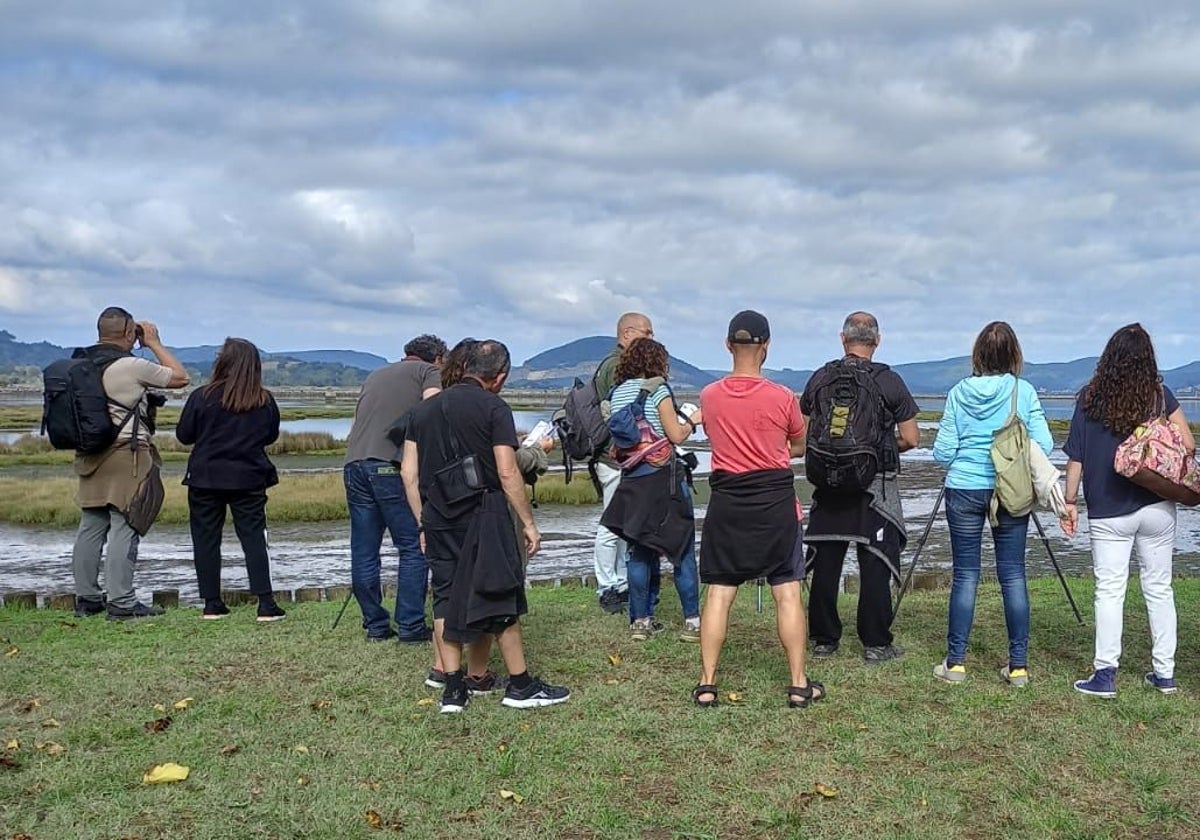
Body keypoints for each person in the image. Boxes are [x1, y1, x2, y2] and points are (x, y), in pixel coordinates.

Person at [401, 340, 570, 713]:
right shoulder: (494, 407)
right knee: (499, 593)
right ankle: (521, 686)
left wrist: (422, 522)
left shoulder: (422, 411)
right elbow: (508, 472)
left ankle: (453, 690)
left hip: (437, 515)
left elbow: (408, 474)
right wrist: (529, 523)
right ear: (500, 377)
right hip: (484, 511)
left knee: (444, 598)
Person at [694, 311, 823, 708]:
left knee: (719, 591)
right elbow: (799, 445)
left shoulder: (709, 395)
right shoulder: (783, 397)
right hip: (774, 501)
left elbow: (715, 436)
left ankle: (707, 683)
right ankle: (799, 684)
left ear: (727, 344)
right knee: (787, 591)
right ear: (767, 346)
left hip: (728, 499)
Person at [1062, 324, 1194, 698]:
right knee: (1158, 588)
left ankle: (1105, 675)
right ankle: (1164, 674)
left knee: (1109, 590)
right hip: (1156, 504)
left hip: (1107, 510)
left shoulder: (1089, 398)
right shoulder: (1160, 396)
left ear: (1110, 358)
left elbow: (1076, 457)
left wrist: (1068, 502)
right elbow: (1187, 444)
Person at [932, 321, 1053, 686]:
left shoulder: (957, 392)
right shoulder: (1024, 392)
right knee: (1013, 574)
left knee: (965, 575)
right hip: (1010, 490)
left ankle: (955, 663)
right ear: (1014, 355)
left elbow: (942, 453)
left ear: (978, 355)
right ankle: (1018, 666)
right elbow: (1044, 445)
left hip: (964, 488)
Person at [801, 312, 919, 663]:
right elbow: (911, 438)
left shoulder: (820, 378)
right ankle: (875, 643)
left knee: (826, 563)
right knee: (875, 564)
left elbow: (802, 432)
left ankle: (824, 640)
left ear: (842, 339)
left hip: (827, 483)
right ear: (877, 341)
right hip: (874, 486)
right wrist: (878, 447)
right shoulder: (890, 381)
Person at [72, 307, 190, 620]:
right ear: (128, 334)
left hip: (89, 454)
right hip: (127, 454)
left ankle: (87, 599)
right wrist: (153, 342)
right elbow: (180, 377)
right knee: (127, 522)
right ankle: (122, 602)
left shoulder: (78, 365)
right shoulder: (131, 366)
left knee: (91, 524)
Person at [343, 334, 445, 643]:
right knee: (414, 546)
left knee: (364, 550)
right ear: (438, 358)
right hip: (389, 466)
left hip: (354, 464)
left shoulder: (376, 374)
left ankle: (375, 626)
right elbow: (433, 409)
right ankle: (412, 626)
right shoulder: (429, 372)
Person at [600, 337, 702, 642]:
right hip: (664, 480)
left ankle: (640, 622)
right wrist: (693, 421)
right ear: (658, 363)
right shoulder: (657, 389)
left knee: (640, 551)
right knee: (681, 551)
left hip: (632, 481)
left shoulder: (617, 393)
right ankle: (693, 623)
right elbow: (675, 435)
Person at [176, 337, 285, 622]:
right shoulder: (263, 399)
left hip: (205, 476)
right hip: (249, 477)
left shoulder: (202, 396)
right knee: (254, 539)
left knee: (205, 539)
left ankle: (212, 603)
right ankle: (265, 602)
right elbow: (271, 436)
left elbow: (184, 435)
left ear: (222, 361)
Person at [592, 312, 655, 613]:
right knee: (611, 523)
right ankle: (608, 586)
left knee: (620, 522)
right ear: (628, 333)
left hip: (615, 455)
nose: (652, 339)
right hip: (614, 456)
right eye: (647, 332)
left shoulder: (611, 364)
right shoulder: (618, 366)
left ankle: (619, 582)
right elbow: (621, 415)